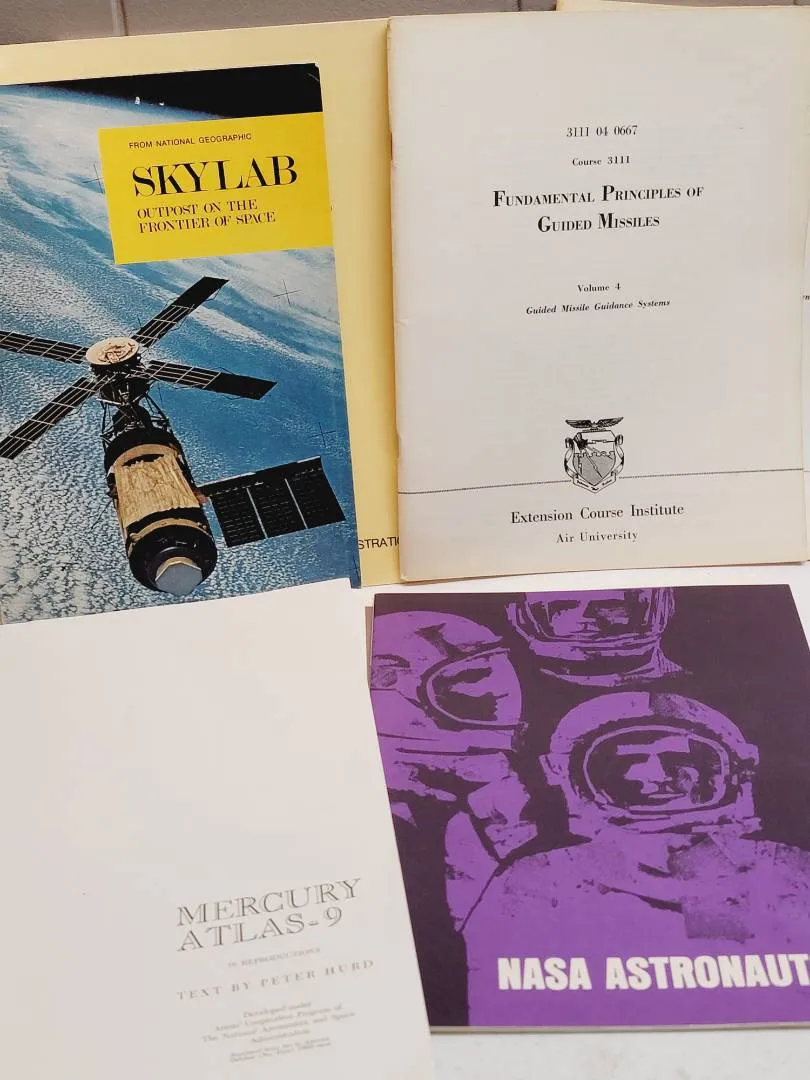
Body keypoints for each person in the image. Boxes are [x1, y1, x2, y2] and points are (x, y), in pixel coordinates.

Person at [462, 691, 810, 1027]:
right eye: (627, 762)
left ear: (732, 771)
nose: (655, 778)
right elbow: (501, 1014)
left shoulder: (787, 872)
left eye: (679, 761)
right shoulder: (535, 883)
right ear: (570, 776)